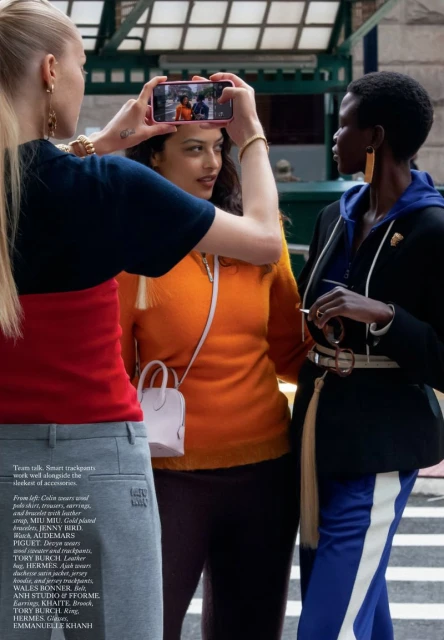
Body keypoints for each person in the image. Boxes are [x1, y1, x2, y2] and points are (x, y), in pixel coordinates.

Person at [0, 2, 281, 639]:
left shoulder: (89, 175)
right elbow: (265, 240)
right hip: (97, 457)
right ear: (50, 71)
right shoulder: (108, 186)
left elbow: (30, 179)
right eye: (80, 64)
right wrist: (250, 136)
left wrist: (102, 142)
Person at [118, 124, 311, 640]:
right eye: (193, 149)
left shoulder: (261, 241)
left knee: (250, 629)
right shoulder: (131, 251)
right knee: (147, 627)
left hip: (266, 470)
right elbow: (112, 370)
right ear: (155, 157)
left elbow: (291, 352)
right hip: (167, 476)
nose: (211, 162)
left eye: (218, 149)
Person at [291, 71, 444, 639]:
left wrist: (383, 316)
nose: (334, 138)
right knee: (356, 600)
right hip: (318, 432)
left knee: (327, 624)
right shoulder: (335, 216)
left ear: (375, 137)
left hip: (381, 442)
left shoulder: (434, 228)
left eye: (343, 125)